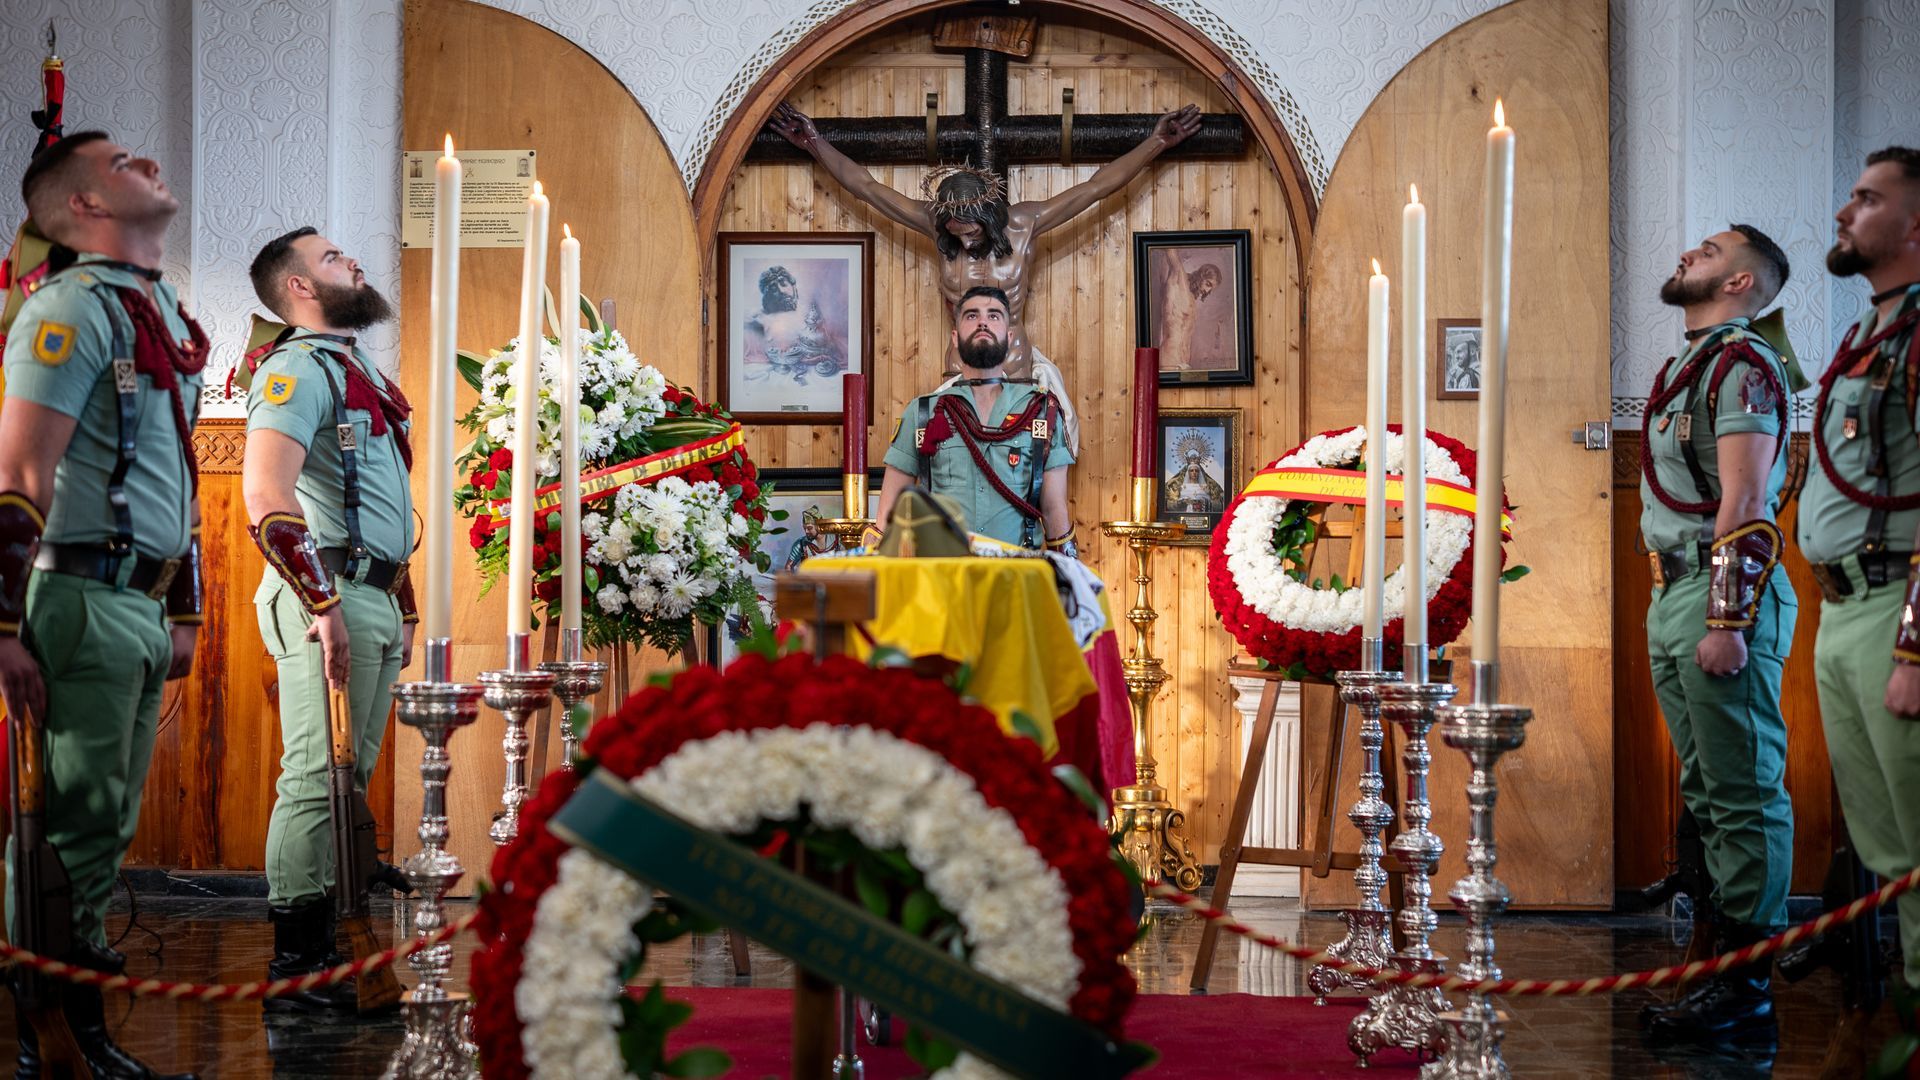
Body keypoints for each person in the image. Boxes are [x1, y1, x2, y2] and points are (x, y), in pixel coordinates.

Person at [0, 131, 202, 1079]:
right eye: (124, 163)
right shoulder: (67, 312)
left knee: (105, 824)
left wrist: (185, 608)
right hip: (78, 591)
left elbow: (181, 476)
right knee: (72, 823)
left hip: (137, 604)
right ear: (83, 206)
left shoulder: (155, 308)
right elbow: (16, 477)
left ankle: (74, 1027)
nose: (150, 166)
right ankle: (54, 1037)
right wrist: (3, 626)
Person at [768, 101, 1204, 453]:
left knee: (1021, 476)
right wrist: (814, 143)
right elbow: (865, 185)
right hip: (958, 369)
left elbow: (1095, 187)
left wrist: (1155, 144)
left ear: (989, 218)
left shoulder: (1024, 224)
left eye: (972, 231)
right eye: (954, 232)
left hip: (1014, 367)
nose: (963, 239)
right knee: (956, 473)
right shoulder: (934, 223)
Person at [241, 227, 417, 1013]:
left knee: (353, 779)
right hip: (325, 596)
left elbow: (381, 504)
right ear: (300, 288)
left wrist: (400, 603)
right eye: (333, 258)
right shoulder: (294, 370)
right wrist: (322, 603)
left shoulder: (355, 369)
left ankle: (330, 949)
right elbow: (267, 497)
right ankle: (297, 963)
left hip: (372, 595)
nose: (352, 262)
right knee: (316, 778)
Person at [1634, 224, 1799, 1044]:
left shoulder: (1743, 366)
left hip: (1720, 590)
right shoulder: (1686, 369)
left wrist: (1728, 619)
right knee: (1706, 788)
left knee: (1743, 792)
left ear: (1741, 283)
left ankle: (1747, 987)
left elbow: (1746, 503)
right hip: (1675, 586)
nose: (1688, 253)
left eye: (1708, 250)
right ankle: (1714, 967)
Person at [1798, 145, 1920, 1009]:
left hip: (1896, 611)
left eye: (1868, 200)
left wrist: (1915, 646)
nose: (1845, 214)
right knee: (1887, 848)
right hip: (1841, 609)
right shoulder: (1866, 335)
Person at [878, 286, 1073, 552]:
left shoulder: (1040, 410)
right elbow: (889, 514)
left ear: (1009, 334)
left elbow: (1053, 508)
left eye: (994, 315)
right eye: (972, 316)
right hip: (943, 574)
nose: (983, 321)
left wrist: (1072, 580)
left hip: (1015, 575)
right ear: (955, 338)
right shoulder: (923, 413)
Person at [1158, 252, 1221, 371]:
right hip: (1170, 359)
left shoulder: (1192, 299)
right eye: (1208, 284)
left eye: (1211, 289)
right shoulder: (1178, 280)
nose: (1207, 291)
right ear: (1201, 276)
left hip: (1184, 362)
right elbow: (1171, 251)